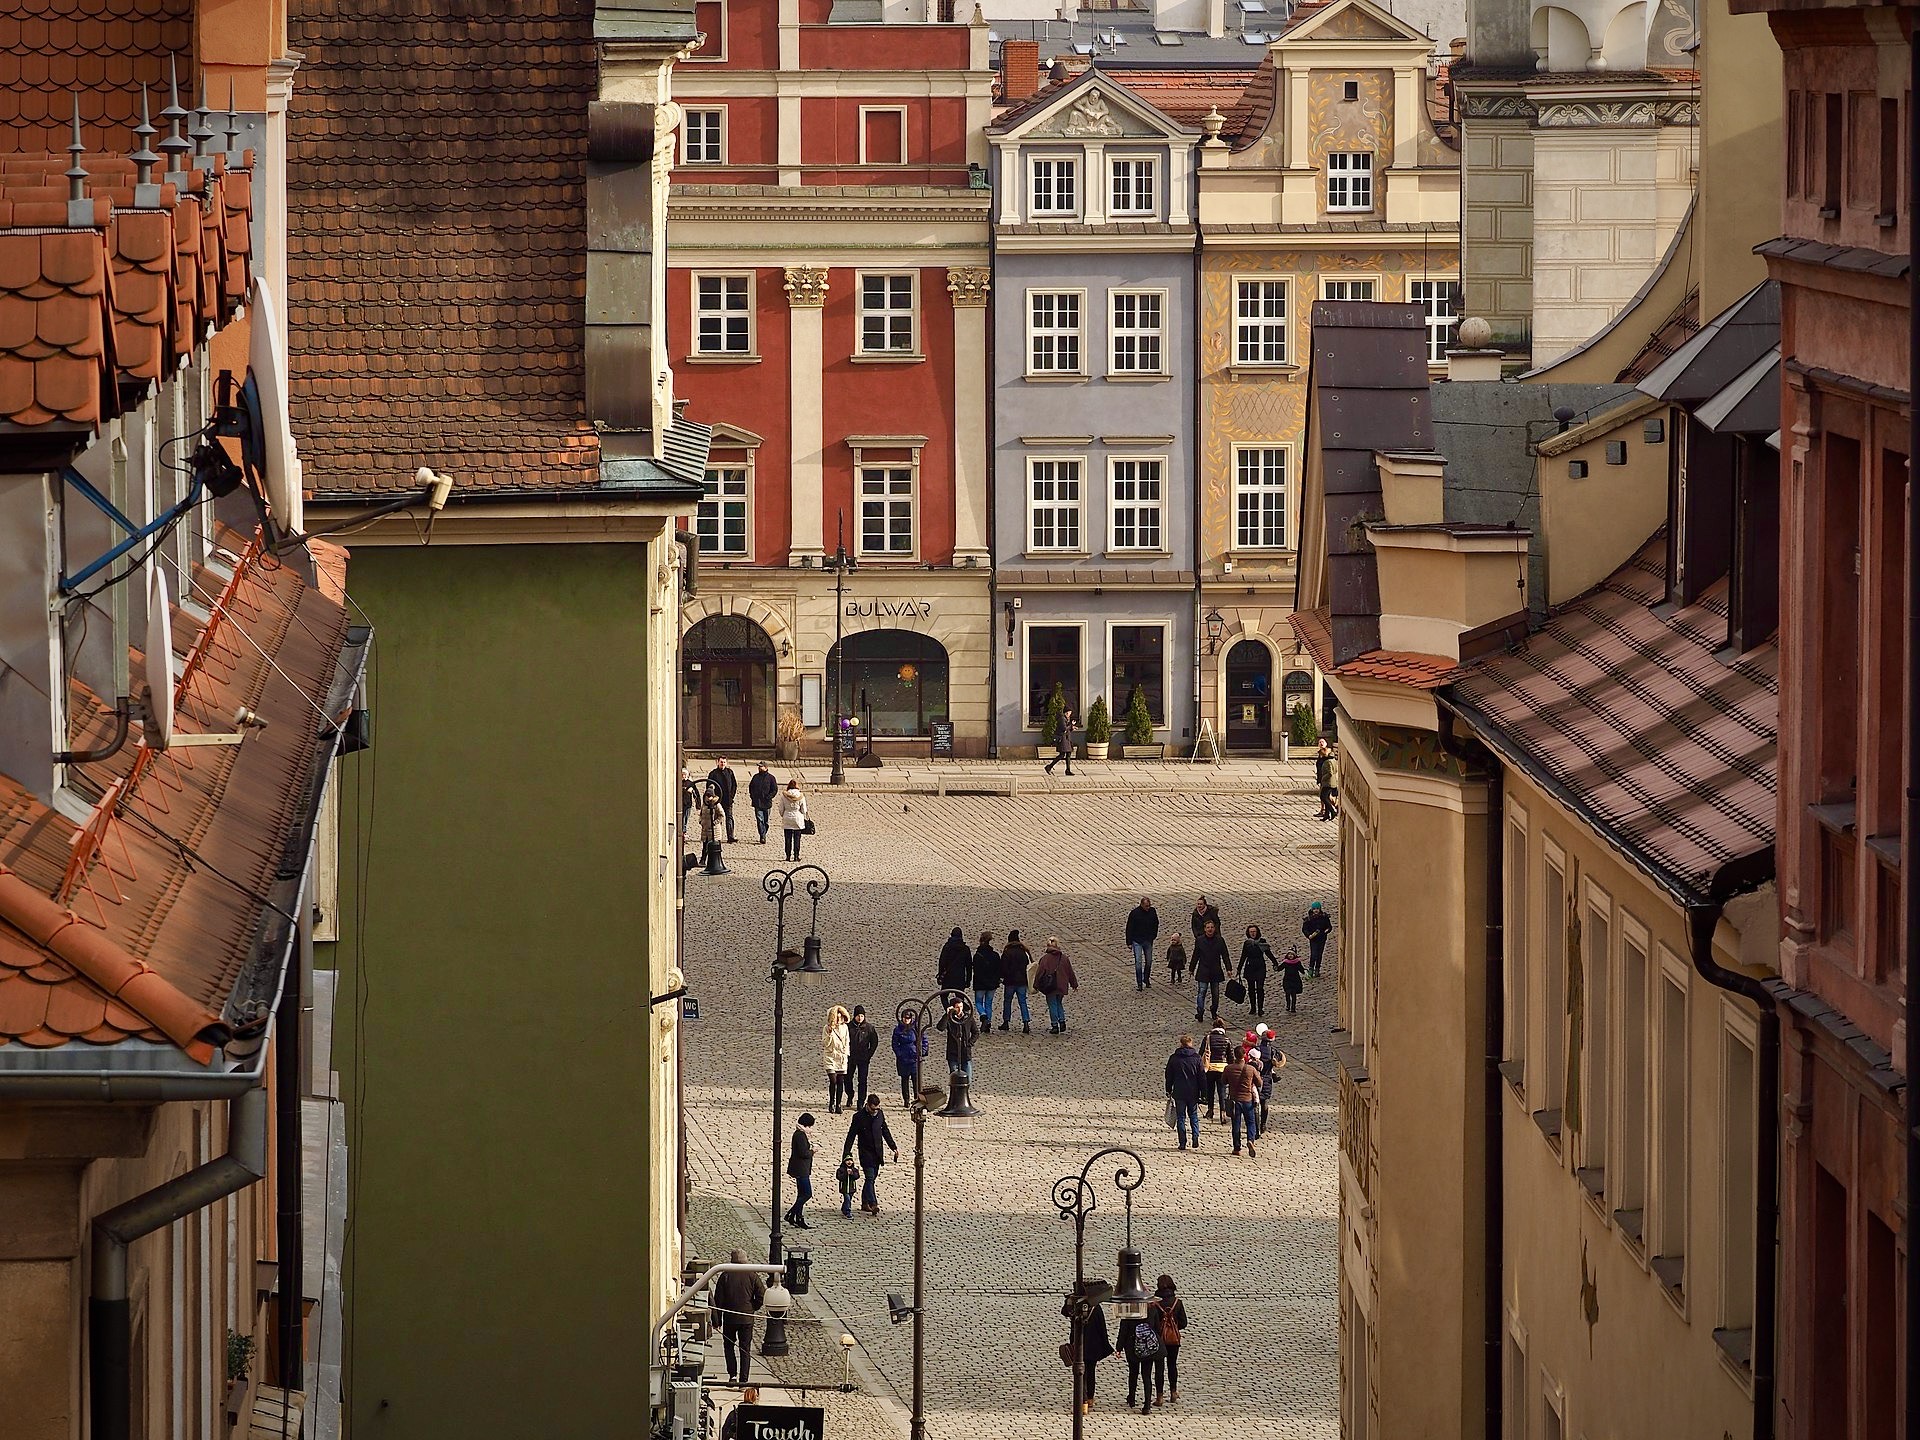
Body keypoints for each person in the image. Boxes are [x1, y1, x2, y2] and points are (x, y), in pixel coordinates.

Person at [842, 1093, 899, 1214]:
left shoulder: (880, 1115)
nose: (875, 1111)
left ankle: (864, 1202)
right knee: (870, 1177)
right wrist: (846, 1153)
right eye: (873, 1109)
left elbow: (885, 1131)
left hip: (877, 1152)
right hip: (865, 1152)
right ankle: (873, 1203)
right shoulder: (858, 1117)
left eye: (877, 1109)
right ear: (867, 1105)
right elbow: (851, 1136)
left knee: (871, 1180)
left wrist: (893, 1147)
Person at [713, 1251, 765, 1384]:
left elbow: (718, 1300)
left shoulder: (725, 1276)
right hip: (746, 1318)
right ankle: (744, 1379)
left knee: (729, 1346)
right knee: (745, 1348)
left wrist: (717, 1320)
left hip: (729, 1318)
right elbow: (761, 1295)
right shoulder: (752, 1275)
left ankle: (732, 1375)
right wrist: (752, 1307)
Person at [1063, 1283, 1113, 1415]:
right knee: (1090, 1372)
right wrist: (1105, 1344)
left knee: (1081, 1374)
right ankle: (1089, 1398)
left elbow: (1065, 1312)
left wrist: (1069, 1299)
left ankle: (1083, 1401)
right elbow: (1102, 1328)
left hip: (1079, 1343)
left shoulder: (1076, 1304)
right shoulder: (1096, 1308)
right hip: (1094, 1346)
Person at [1146, 1276, 1187, 1406]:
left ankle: (1159, 1397)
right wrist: (1173, 1328)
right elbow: (1184, 1323)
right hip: (1173, 1340)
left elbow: (1151, 1322)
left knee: (1159, 1367)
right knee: (1172, 1365)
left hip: (1159, 1339)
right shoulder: (1177, 1302)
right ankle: (1173, 1392)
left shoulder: (1154, 1303)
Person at [1164, 1033, 1204, 1150]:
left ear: (1181, 1044)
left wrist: (1168, 1089)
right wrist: (1204, 1092)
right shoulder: (1196, 1058)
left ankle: (1182, 1142)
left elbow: (1169, 1075)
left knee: (1181, 1117)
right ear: (1190, 1044)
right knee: (1193, 1115)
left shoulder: (1174, 1058)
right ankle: (1195, 1136)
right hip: (1193, 1092)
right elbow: (1201, 1077)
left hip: (1179, 1091)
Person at [1120, 1306, 1161, 1415]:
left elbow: (1123, 1331)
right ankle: (1147, 1404)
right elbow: (1157, 1328)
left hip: (1132, 1347)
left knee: (1133, 1373)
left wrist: (1119, 1347)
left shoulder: (1129, 1309)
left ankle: (1132, 1398)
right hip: (1148, 1347)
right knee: (1146, 1376)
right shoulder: (1152, 1309)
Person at [1033, 937, 1078, 1034]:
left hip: (1050, 985)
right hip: (1062, 985)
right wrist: (1074, 984)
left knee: (1052, 1004)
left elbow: (1040, 973)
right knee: (1059, 1003)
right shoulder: (1064, 958)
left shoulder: (1045, 959)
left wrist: (1035, 984)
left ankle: (1055, 1025)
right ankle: (1062, 1021)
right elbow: (1070, 972)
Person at [1224, 1045, 1261, 1156]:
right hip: (1247, 1099)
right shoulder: (1250, 1069)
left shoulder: (1228, 1068)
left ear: (1234, 1055)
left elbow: (1223, 1081)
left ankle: (1237, 1148)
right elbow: (1259, 1083)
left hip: (1235, 1100)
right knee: (1250, 1122)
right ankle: (1250, 1140)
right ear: (1244, 1055)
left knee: (1236, 1124)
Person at [1191, 919, 1230, 1021]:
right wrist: (1192, 968)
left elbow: (1225, 955)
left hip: (1215, 970)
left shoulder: (1220, 940)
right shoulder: (1200, 940)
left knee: (1215, 994)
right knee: (1202, 991)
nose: (1210, 929)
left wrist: (1228, 968)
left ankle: (1214, 1010)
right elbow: (1196, 955)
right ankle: (1200, 1011)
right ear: (1205, 929)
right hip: (1203, 970)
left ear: (1214, 929)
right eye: (1208, 927)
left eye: (1212, 927)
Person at [937, 992, 979, 1083]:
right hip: (953, 1053)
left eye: (961, 1006)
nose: (960, 1009)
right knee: (955, 1079)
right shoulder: (950, 1018)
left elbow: (976, 1032)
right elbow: (940, 1027)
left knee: (968, 1079)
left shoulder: (968, 1017)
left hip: (965, 1052)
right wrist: (947, 1015)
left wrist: (969, 1043)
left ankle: (965, 1096)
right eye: (957, 1007)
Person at [784, 1113, 816, 1228]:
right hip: (801, 1169)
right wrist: (813, 1151)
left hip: (801, 1168)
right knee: (807, 1193)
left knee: (801, 1194)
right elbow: (804, 1153)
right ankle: (790, 1214)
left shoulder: (800, 1134)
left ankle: (798, 1218)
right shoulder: (800, 1135)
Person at [891, 1010, 927, 1107]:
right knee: (904, 1080)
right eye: (905, 1018)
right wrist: (899, 1054)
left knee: (916, 1080)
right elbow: (894, 1043)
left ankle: (917, 1098)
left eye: (908, 1018)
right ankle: (906, 1099)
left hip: (914, 1058)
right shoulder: (898, 1029)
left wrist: (921, 1052)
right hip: (903, 1058)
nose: (906, 1020)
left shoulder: (915, 1028)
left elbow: (924, 1040)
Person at [999, 929, 1033, 1032]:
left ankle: (1006, 1021)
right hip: (1022, 981)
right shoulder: (1023, 952)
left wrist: (1002, 977)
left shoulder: (1007, 952)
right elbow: (1028, 966)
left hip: (1010, 981)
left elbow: (1003, 968)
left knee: (1007, 1001)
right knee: (1022, 1002)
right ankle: (1026, 1022)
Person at [1238, 925, 1274, 1017]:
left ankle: (1260, 1008)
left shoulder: (1262, 942)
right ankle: (1253, 1007)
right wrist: (1239, 968)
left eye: (1254, 931)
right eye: (1251, 932)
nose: (1253, 933)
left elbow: (1268, 953)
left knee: (1259, 988)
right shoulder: (1247, 943)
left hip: (1260, 966)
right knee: (1251, 989)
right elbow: (1243, 956)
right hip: (1250, 967)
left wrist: (1275, 963)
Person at [1125, 897, 1160, 991]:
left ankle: (1146, 978)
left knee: (1149, 961)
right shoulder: (1135, 913)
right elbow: (1129, 928)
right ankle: (1139, 983)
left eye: (1149, 906)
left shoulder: (1152, 912)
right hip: (1137, 940)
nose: (1148, 908)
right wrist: (1129, 942)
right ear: (1141, 905)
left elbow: (1156, 923)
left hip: (1148, 940)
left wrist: (1153, 935)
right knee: (1138, 962)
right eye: (1146, 906)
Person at [847, 1005, 879, 1104]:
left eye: (862, 1016)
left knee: (862, 1081)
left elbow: (874, 1042)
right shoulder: (848, 1027)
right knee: (847, 1079)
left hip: (863, 1058)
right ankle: (850, 1095)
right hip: (850, 1057)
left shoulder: (869, 1028)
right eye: (858, 1016)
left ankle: (861, 1101)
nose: (860, 1018)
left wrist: (868, 1054)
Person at [822, 1005, 851, 1114]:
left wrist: (845, 1054)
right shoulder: (827, 1028)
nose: (839, 1020)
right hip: (831, 1056)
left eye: (841, 1018)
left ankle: (838, 1104)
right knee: (833, 1080)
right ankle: (831, 1102)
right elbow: (825, 1044)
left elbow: (847, 1042)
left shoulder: (845, 1028)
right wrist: (829, 1034)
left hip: (841, 1057)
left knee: (840, 1081)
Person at [1201, 1019, 1232, 1120]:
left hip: (1210, 1067)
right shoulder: (1227, 1039)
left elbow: (1201, 1052)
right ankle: (1223, 1112)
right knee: (1222, 1091)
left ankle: (1210, 1110)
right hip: (1222, 1068)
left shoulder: (1208, 1038)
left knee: (1210, 1090)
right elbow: (1230, 1056)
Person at [970, 932, 1002, 1028]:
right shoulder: (995, 955)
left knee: (979, 1002)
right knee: (989, 1003)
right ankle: (988, 1022)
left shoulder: (977, 956)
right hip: (992, 984)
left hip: (980, 983)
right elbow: (998, 969)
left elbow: (975, 969)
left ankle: (983, 1015)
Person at [697, 788, 730, 875]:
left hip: (714, 830)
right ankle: (703, 860)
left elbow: (722, 815)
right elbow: (701, 814)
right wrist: (701, 821)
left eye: (710, 796)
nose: (708, 798)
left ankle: (717, 862)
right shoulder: (704, 805)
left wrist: (715, 822)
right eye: (707, 796)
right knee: (705, 845)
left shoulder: (716, 805)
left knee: (715, 846)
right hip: (705, 829)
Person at [707, 757, 739, 842]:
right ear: (718, 762)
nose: (723, 764)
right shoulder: (713, 774)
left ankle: (730, 836)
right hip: (717, 800)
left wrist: (732, 796)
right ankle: (717, 837)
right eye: (721, 762)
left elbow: (734, 785)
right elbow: (709, 787)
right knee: (718, 818)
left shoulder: (730, 772)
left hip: (728, 800)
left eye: (724, 762)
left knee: (729, 818)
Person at [748, 763, 779, 845]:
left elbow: (774, 789)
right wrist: (753, 796)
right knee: (759, 819)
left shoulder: (771, 778)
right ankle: (762, 835)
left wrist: (769, 797)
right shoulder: (755, 777)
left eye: (761, 766)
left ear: (765, 767)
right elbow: (751, 787)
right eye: (759, 767)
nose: (759, 768)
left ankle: (764, 832)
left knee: (766, 821)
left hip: (767, 803)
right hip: (757, 802)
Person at [936, 926, 972, 995]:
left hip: (948, 977)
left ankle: (947, 1006)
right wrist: (968, 980)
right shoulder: (965, 949)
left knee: (943, 996)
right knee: (960, 998)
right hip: (960, 978)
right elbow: (969, 966)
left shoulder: (947, 947)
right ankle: (957, 1006)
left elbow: (942, 962)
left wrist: (940, 974)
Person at [779, 778, 808, 861]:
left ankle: (788, 856)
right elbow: (804, 810)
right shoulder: (801, 796)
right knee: (797, 838)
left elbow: (781, 809)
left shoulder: (784, 796)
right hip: (797, 818)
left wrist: (784, 815)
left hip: (787, 817)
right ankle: (796, 856)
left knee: (787, 838)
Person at [1303, 901, 1333, 978]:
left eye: (1317, 909)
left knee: (1319, 954)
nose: (1316, 910)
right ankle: (1311, 969)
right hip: (1313, 939)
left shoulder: (1324, 917)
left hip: (1322, 938)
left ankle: (1317, 969)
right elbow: (1305, 929)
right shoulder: (1309, 919)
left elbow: (1329, 926)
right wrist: (1309, 935)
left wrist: (1327, 930)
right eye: (1314, 909)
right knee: (1313, 954)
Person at [1044, 708, 1077, 776]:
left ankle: (1068, 770)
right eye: (1069, 713)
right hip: (1063, 739)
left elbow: (1067, 729)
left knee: (1068, 754)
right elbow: (1064, 729)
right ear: (1066, 712)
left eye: (1070, 713)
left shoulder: (1065, 719)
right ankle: (1049, 766)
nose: (1070, 714)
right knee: (1062, 755)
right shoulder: (1062, 719)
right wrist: (1071, 725)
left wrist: (1072, 728)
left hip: (1066, 739)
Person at [1279, 945, 1306, 1013]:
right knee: (1287, 993)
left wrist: (1305, 972)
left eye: (1292, 954)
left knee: (1293, 994)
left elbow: (1301, 970)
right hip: (1287, 980)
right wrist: (1276, 967)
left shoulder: (1297, 962)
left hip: (1295, 980)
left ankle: (1293, 1007)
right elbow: (1280, 968)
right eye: (1289, 954)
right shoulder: (1285, 962)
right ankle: (1288, 1005)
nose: (1290, 956)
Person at [1315, 737, 1336, 821]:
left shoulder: (1328, 761)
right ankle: (1326, 815)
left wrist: (1323, 778)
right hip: (1327, 781)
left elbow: (1331, 772)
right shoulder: (1329, 760)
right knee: (1326, 797)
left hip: (1328, 782)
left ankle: (1333, 811)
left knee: (1323, 797)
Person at [836, 1151, 860, 1217]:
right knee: (847, 1199)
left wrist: (852, 1173)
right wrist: (846, 1173)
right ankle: (847, 1212)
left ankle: (844, 1208)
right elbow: (839, 1177)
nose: (849, 1162)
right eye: (847, 1160)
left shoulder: (854, 1169)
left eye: (850, 1160)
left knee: (848, 1199)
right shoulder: (841, 1170)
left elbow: (857, 1176)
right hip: (844, 1188)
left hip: (852, 1188)